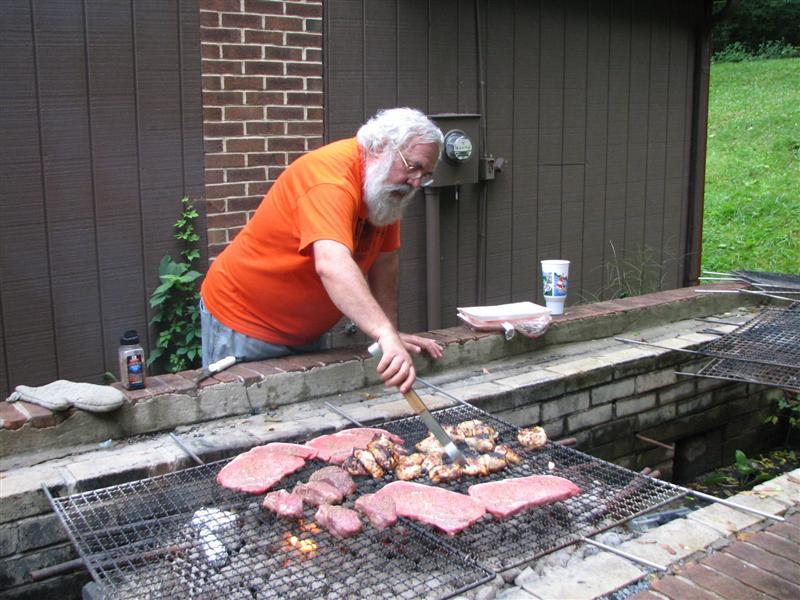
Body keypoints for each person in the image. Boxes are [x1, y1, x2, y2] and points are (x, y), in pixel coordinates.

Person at [200, 107, 445, 393]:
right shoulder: (330, 179)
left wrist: (389, 332)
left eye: (425, 174)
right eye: (413, 166)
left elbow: (385, 260)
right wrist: (382, 333)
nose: (416, 182)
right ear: (379, 147)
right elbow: (332, 264)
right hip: (243, 323)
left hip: (305, 332)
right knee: (244, 426)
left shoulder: (385, 191)